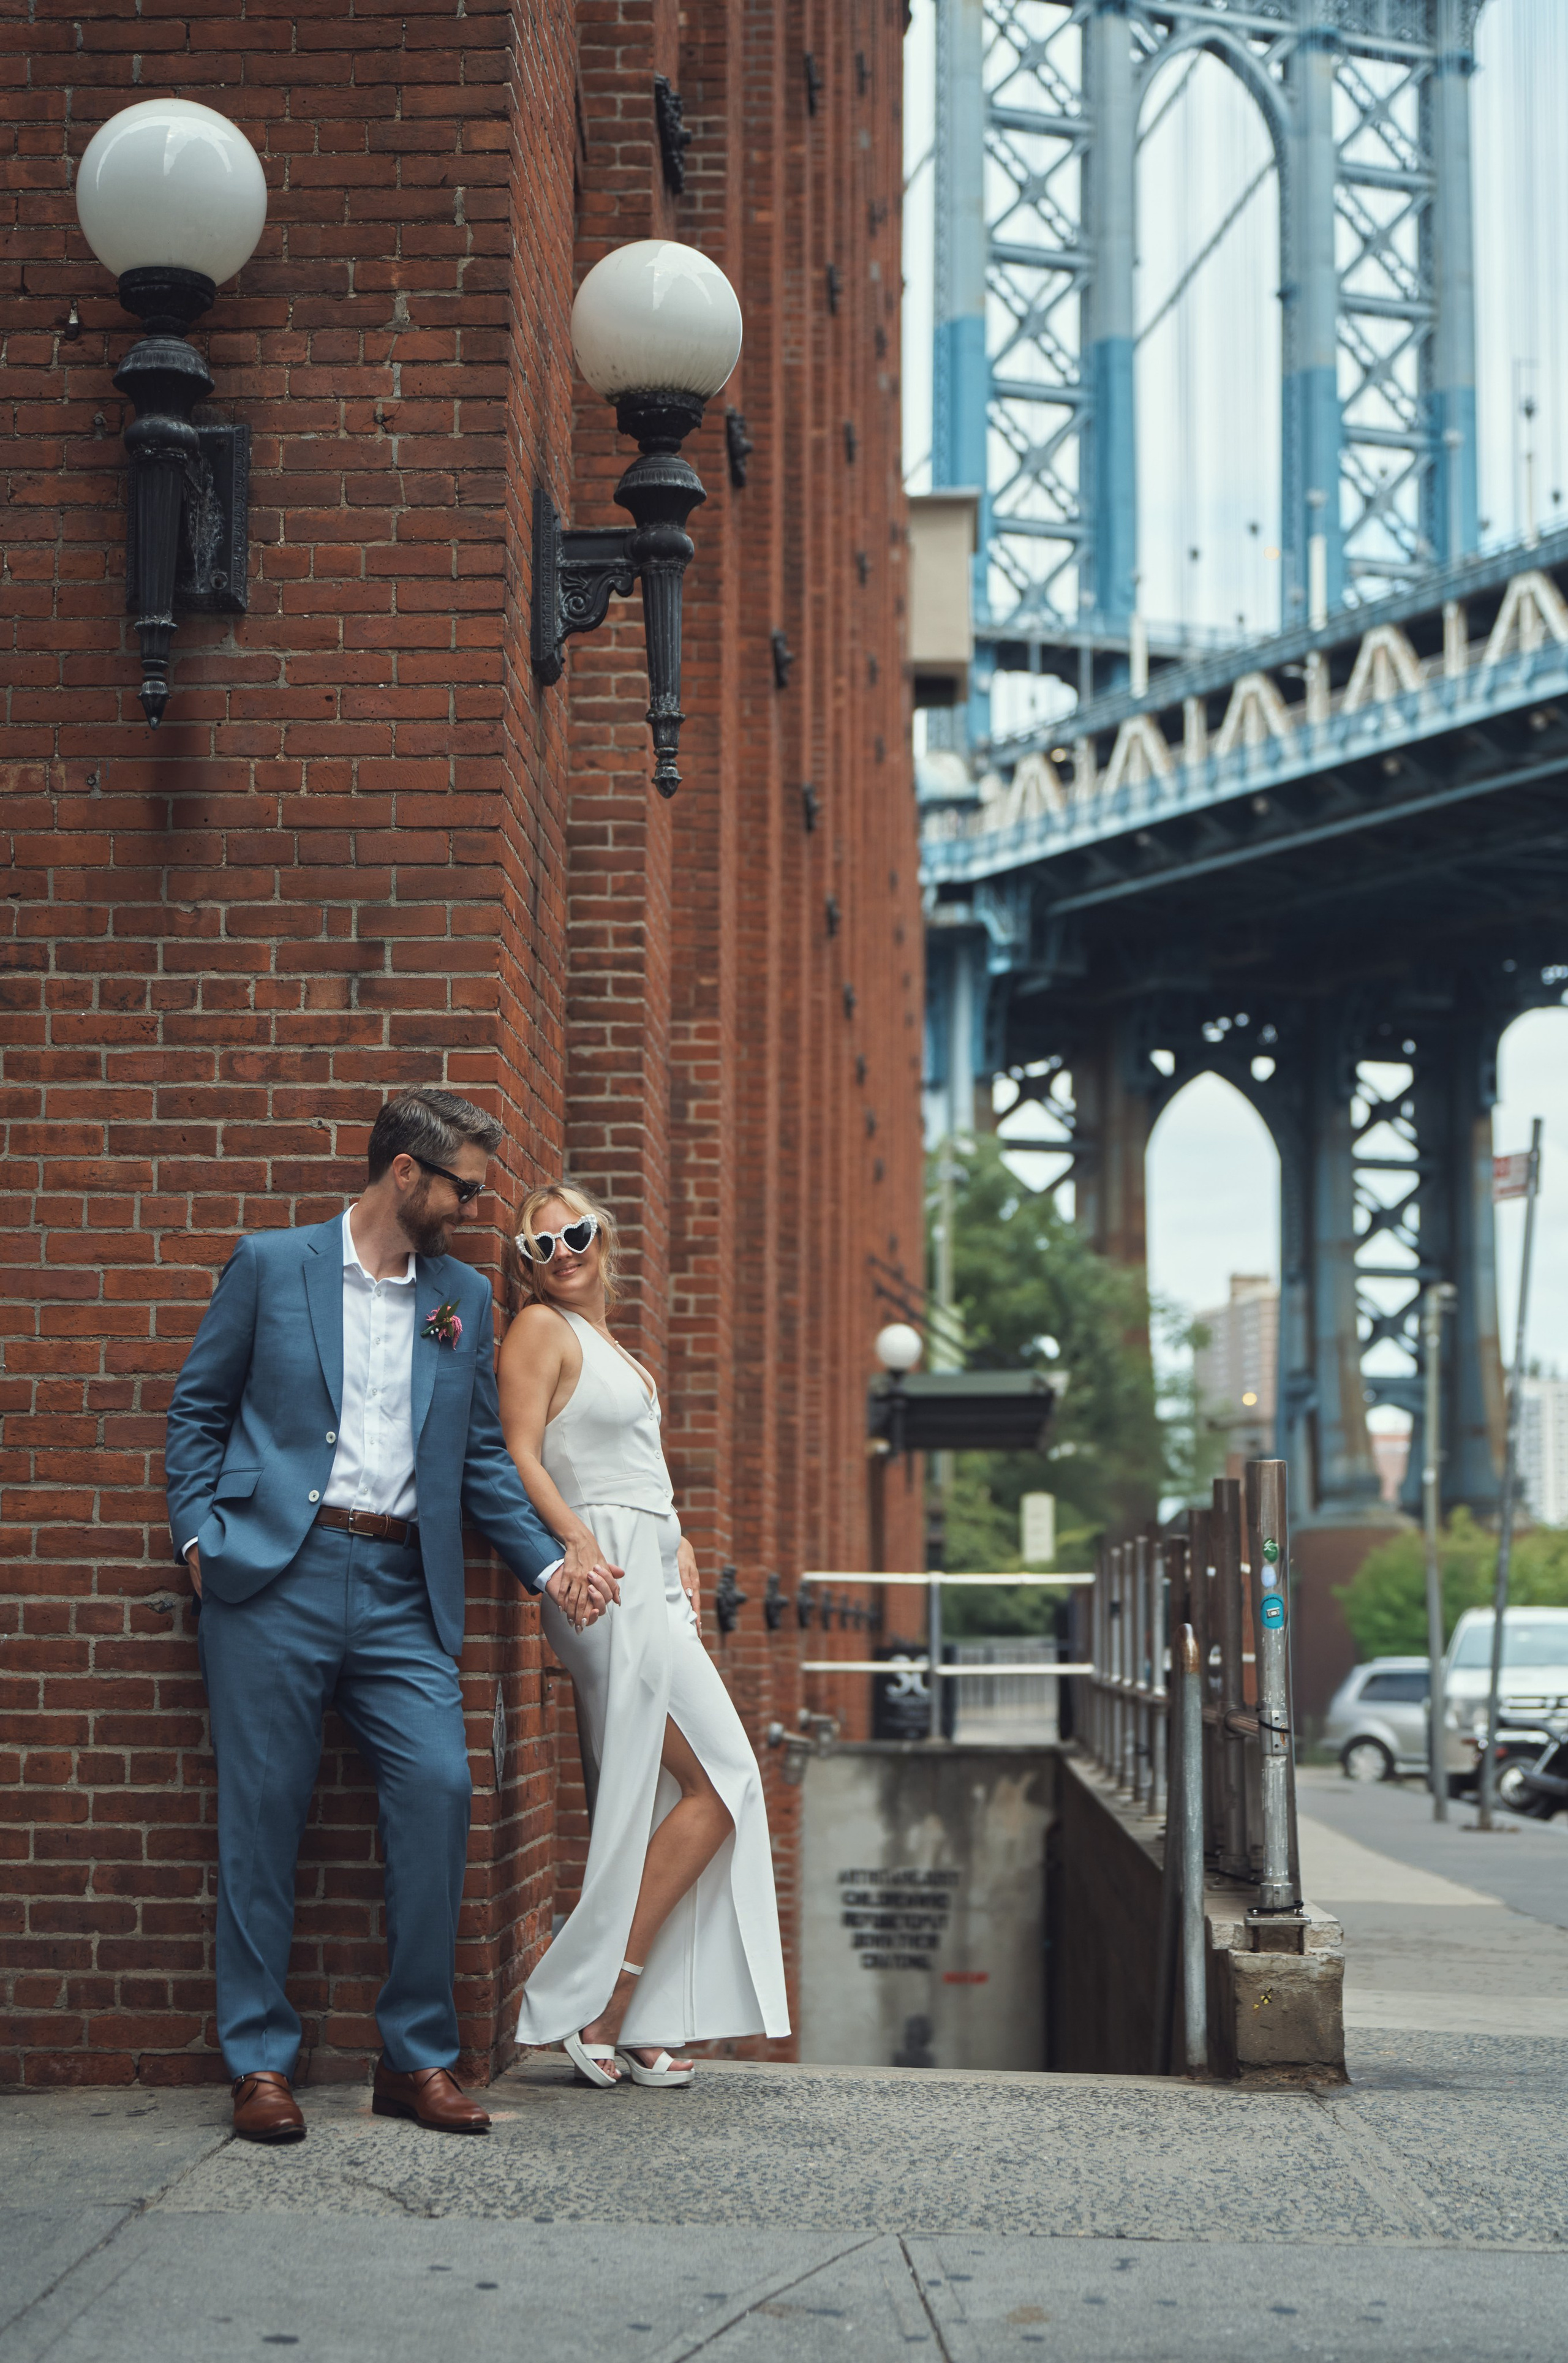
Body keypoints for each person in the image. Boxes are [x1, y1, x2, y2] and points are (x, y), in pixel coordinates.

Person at [164, 1088, 620, 2144]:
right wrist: (199, 1537)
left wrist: (552, 1565)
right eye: (462, 1184)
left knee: (440, 1787)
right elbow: (196, 1408)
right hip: (273, 1578)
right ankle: (260, 2062)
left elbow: (476, 1464)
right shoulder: (274, 1266)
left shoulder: (459, 1296)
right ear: (406, 1173)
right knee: (263, 1817)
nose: (473, 1206)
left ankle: (413, 2056)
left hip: (404, 1590)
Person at [502, 1183, 789, 2085]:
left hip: (650, 1568)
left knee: (682, 1790)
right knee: (721, 1778)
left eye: (578, 1233)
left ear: (604, 1238)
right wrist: (578, 1540)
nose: (565, 1252)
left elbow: (633, 1467)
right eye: (544, 1244)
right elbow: (518, 1452)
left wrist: (682, 1542)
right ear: (529, 1263)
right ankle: (606, 2004)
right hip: (605, 1577)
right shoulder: (539, 1331)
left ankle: (637, 2011)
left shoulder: (612, 1345)